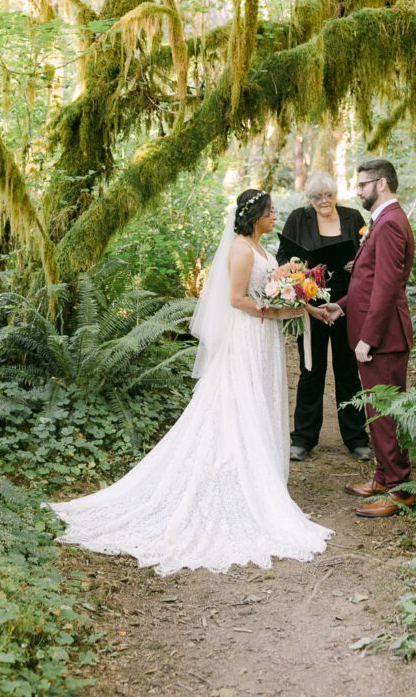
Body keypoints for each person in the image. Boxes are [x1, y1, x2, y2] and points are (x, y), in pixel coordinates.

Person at [47, 189, 333, 575]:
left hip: (264, 336)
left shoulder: (262, 250)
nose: (274, 216)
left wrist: (309, 308)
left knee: (260, 402)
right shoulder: (240, 251)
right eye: (269, 212)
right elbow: (236, 300)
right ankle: (238, 478)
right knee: (240, 403)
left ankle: (255, 475)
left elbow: (272, 293)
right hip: (247, 337)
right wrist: (280, 306)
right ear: (254, 217)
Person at [325, 159, 415, 519]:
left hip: (385, 337)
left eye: (362, 185)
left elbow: (388, 287)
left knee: (385, 414)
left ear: (380, 184)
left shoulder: (391, 223)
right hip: (377, 332)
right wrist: (342, 307)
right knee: (377, 413)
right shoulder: (381, 221)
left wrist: (368, 338)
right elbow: (367, 280)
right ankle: (383, 477)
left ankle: (400, 490)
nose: (358, 191)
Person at [276, 171, 372, 463]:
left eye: (328, 195)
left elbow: (370, 252)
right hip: (312, 303)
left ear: (335, 195)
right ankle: (303, 439)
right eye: (316, 197)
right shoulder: (297, 218)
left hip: (346, 302)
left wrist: (358, 262)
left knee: (347, 371)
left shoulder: (353, 218)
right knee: (311, 370)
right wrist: (299, 268)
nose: (323, 201)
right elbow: (283, 258)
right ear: (309, 198)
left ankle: (356, 438)